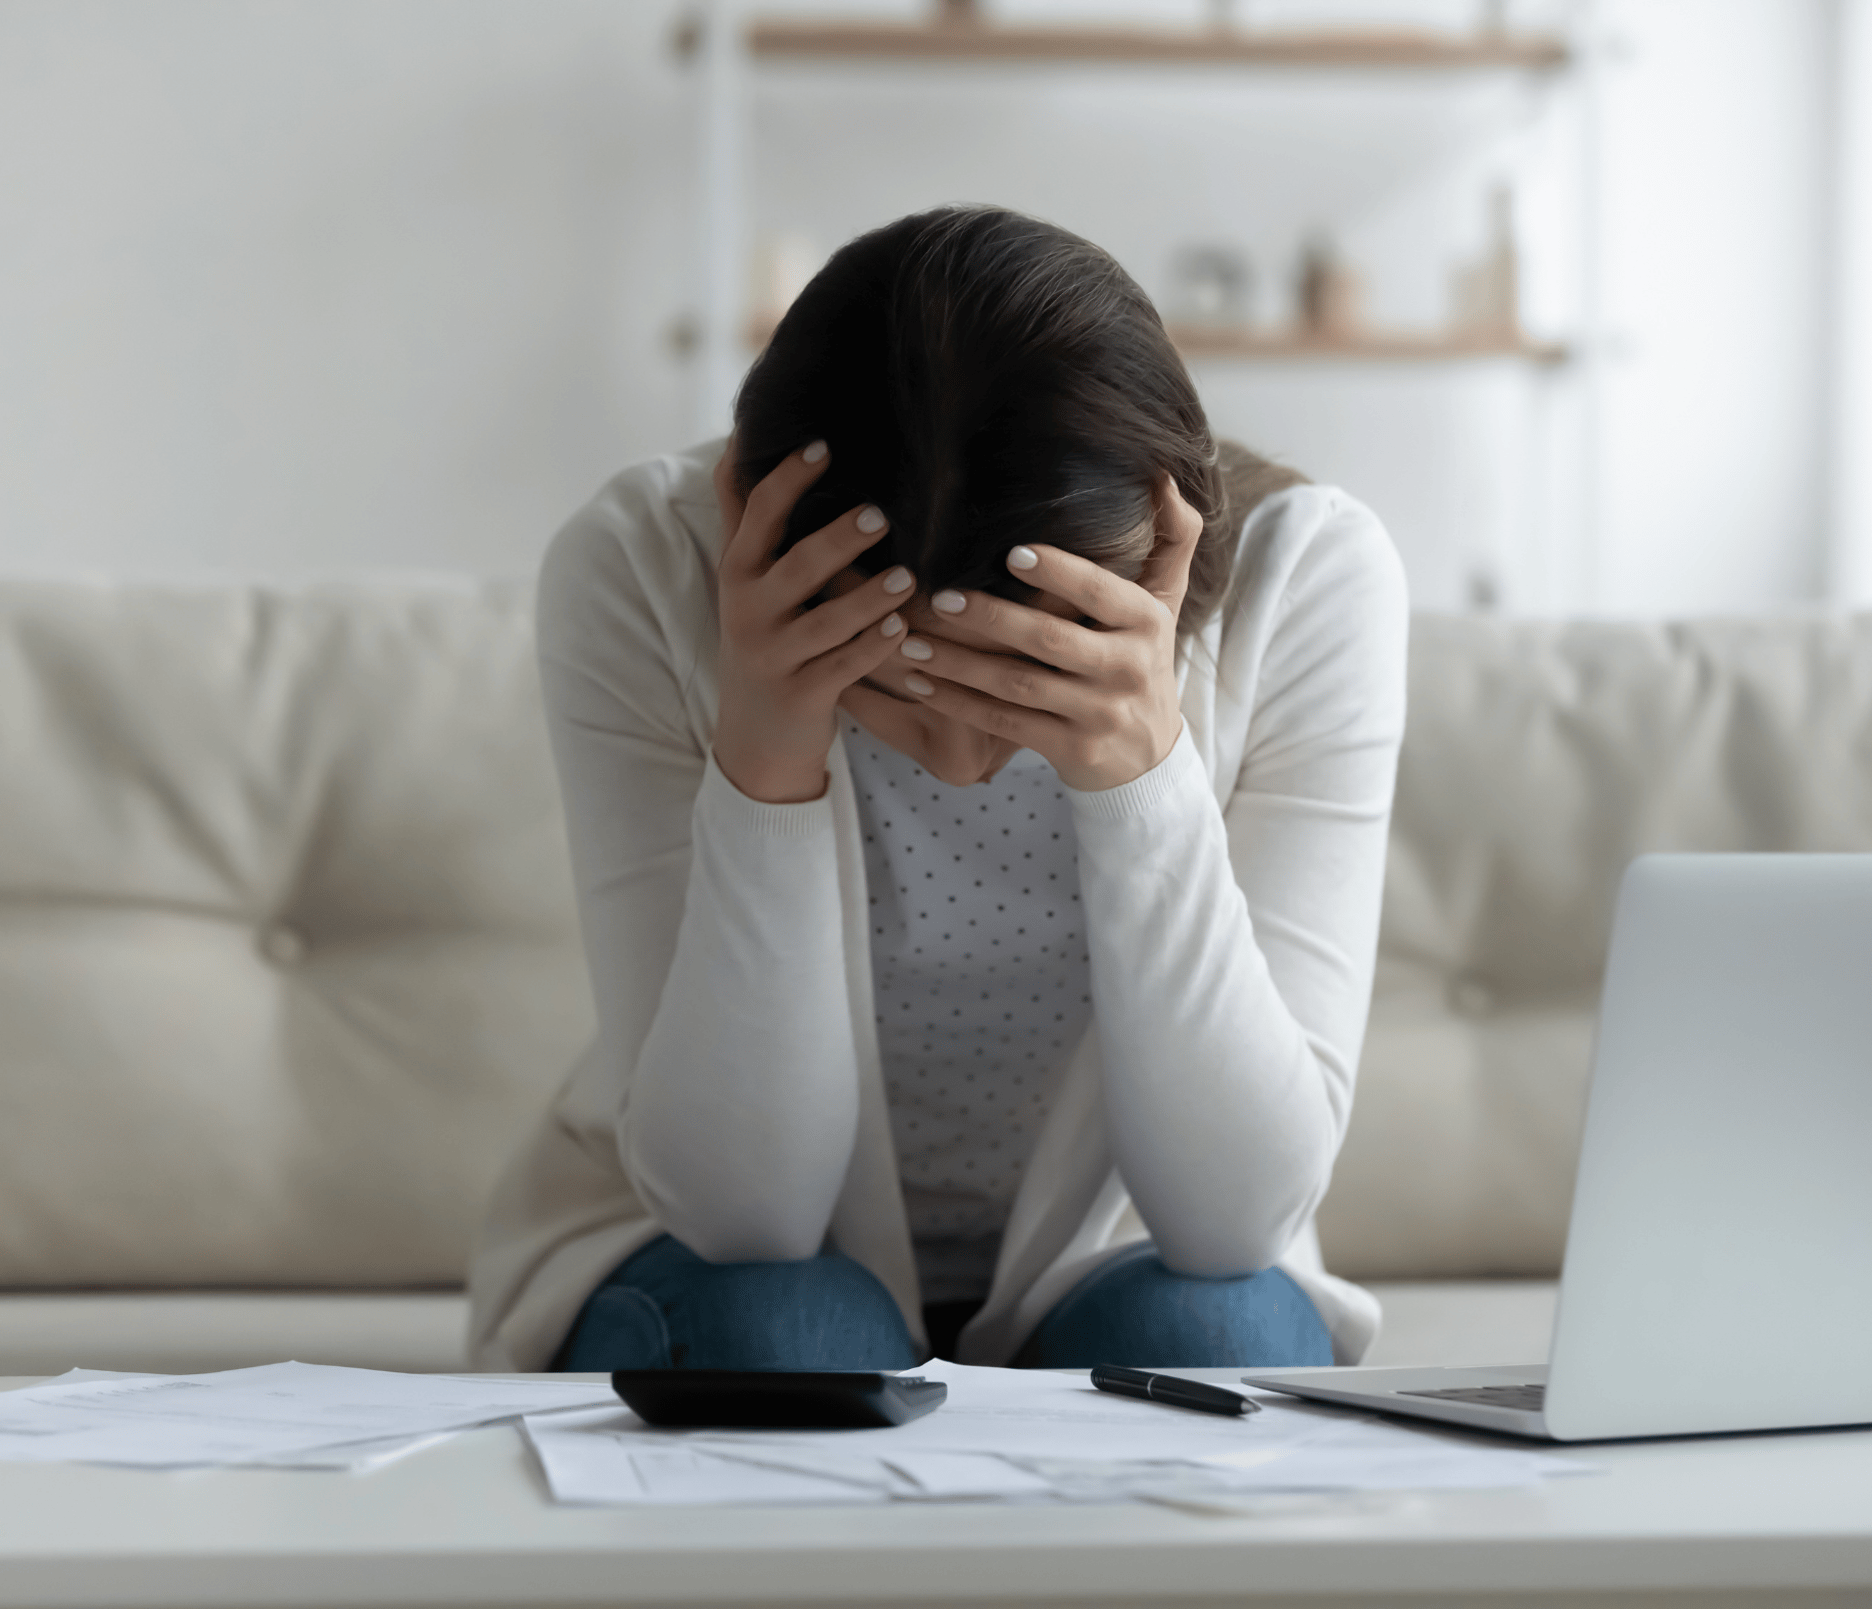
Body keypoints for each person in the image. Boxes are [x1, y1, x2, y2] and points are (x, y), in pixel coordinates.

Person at [466, 206, 1407, 1374]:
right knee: (792, 1334)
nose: (960, 759)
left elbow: (1235, 1224)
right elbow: (745, 1218)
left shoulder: (1306, 575)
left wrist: (1142, 776)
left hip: (1131, 1256)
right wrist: (766, 755)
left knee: (1218, 1334)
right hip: (699, 1253)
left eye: (1027, 686)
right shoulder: (644, 572)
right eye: (896, 694)